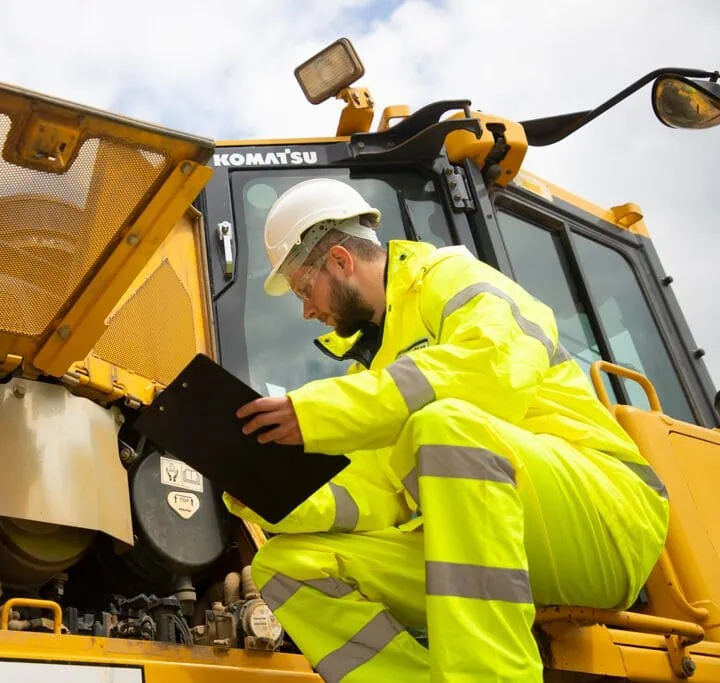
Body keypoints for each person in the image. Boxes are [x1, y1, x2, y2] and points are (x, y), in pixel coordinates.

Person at [221, 178, 670, 682]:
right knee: (287, 565)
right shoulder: (372, 375)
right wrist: (259, 488)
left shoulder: (451, 278)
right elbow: (374, 498)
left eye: (305, 288)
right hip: (483, 546)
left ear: (342, 261)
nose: (307, 310)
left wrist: (313, 413)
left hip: (601, 520)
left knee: (444, 423)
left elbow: (490, 373)